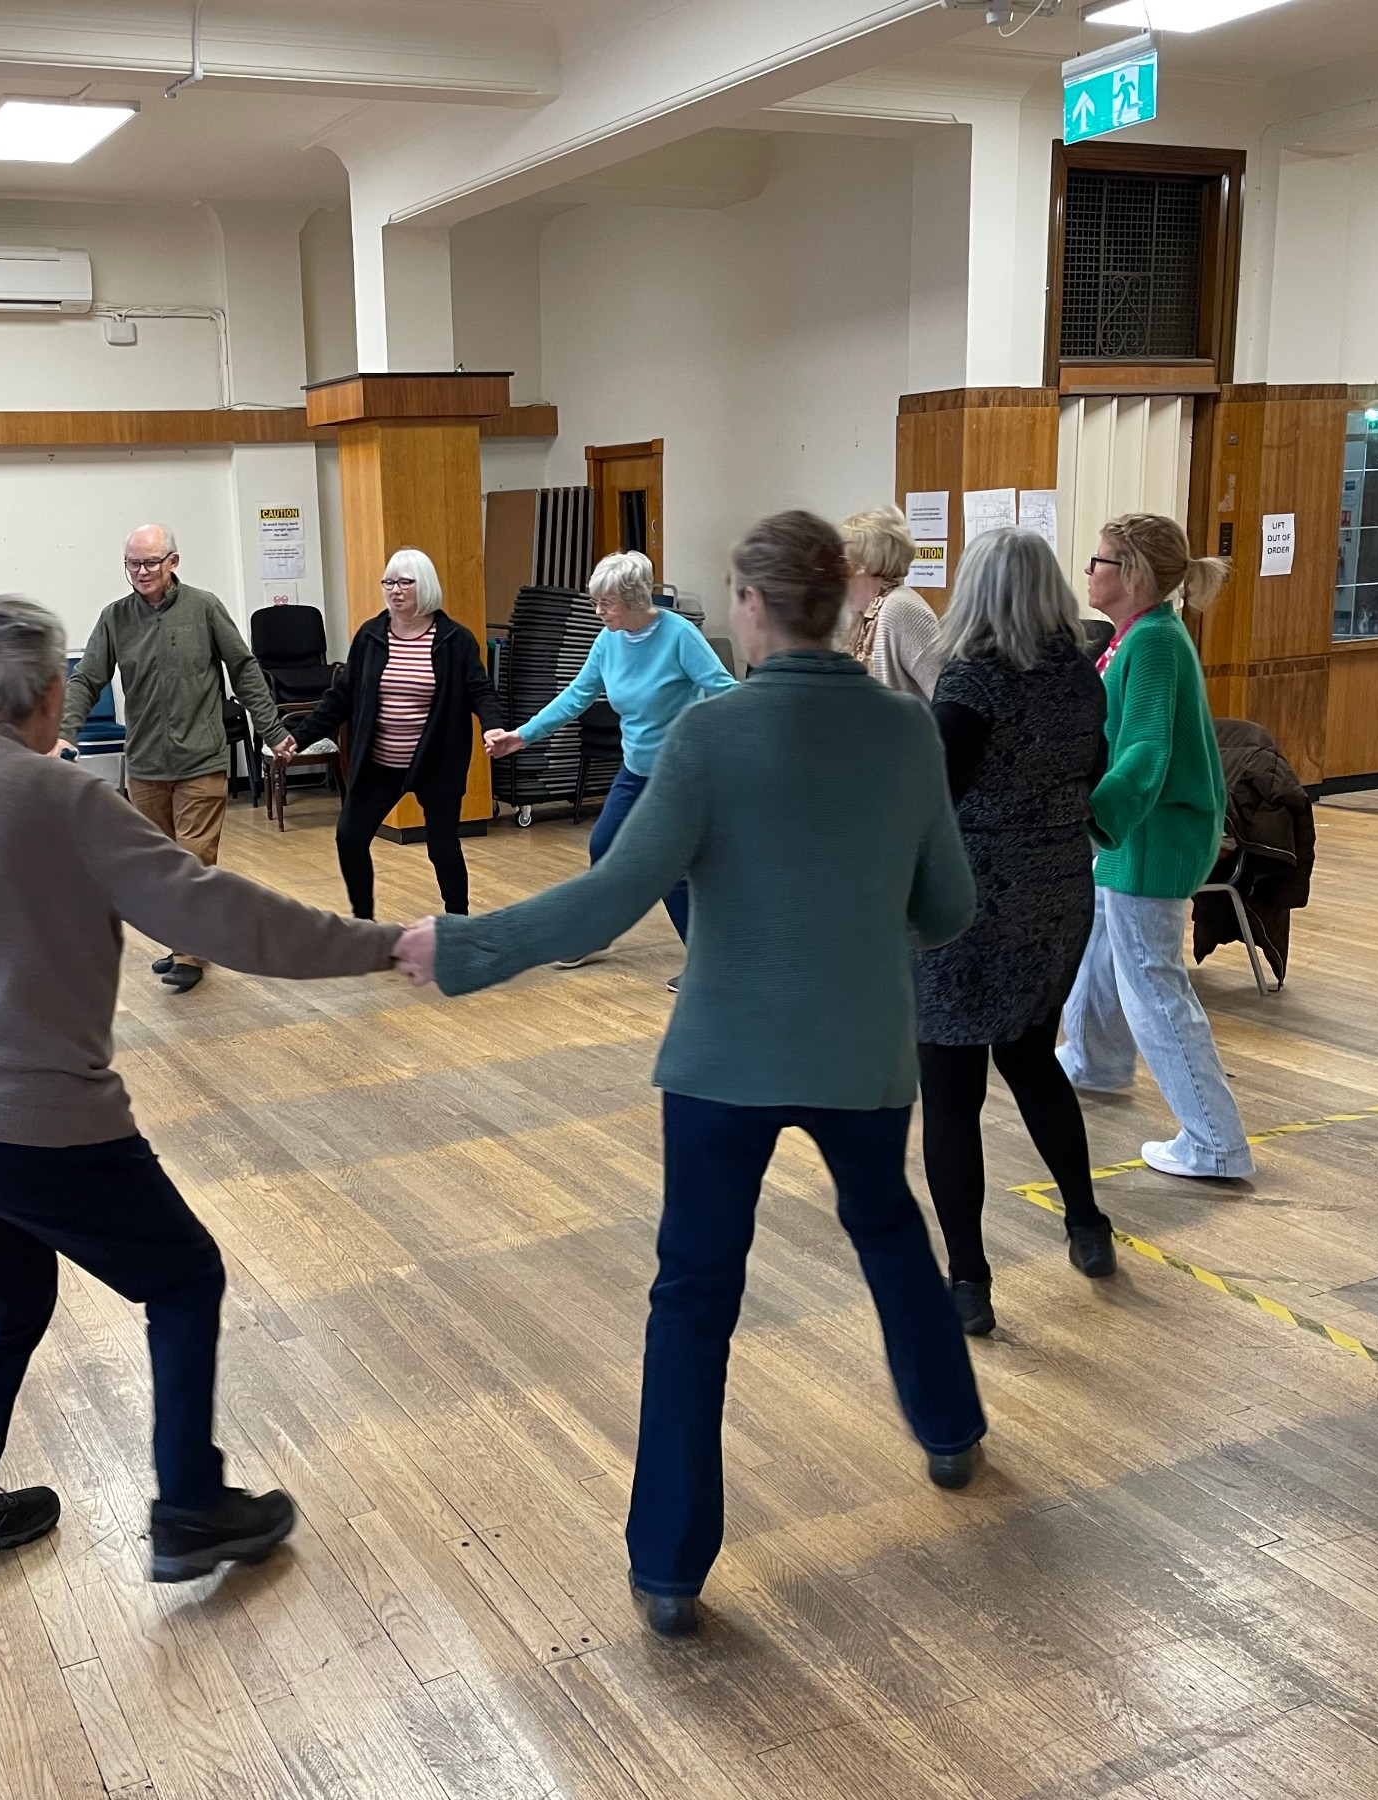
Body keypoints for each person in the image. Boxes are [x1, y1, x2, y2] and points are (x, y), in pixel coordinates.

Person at [400, 512, 985, 1637]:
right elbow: (947, 909)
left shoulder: (712, 737)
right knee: (889, 1230)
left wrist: (469, 947)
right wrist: (853, 942)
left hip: (723, 1063)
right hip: (863, 1050)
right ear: (842, 600)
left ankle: (670, 1567)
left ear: (754, 609)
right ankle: (951, 1431)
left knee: (693, 1298)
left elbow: (609, 897)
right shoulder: (907, 734)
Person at [0, 595, 401, 1583]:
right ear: (52, 696)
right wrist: (385, 945)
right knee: (182, 1278)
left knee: (7, 1296)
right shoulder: (67, 800)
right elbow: (222, 917)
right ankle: (189, 1507)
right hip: (37, 1118)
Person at [912, 529, 1117, 1338]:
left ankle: (969, 1281)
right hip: (1060, 892)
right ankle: (1086, 1222)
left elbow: (931, 799)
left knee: (952, 1099)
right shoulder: (1080, 674)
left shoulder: (969, 679)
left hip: (970, 905)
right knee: (1032, 1061)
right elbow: (1093, 768)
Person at [1057, 512, 1254, 1180]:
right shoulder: (1137, 637)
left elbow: (1146, 751)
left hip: (1149, 836)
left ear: (1132, 573)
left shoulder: (1157, 645)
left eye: (1101, 559)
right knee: (1103, 951)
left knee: (1152, 984)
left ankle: (1214, 1141)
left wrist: (1091, 814)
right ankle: (1093, 1061)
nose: (1089, 570)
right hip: (1134, 834)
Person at [57, 525, 293, 993]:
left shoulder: (203, 608)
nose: (141, 572)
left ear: (173, 562)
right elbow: (86, 680)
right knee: (160, 865)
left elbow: (244, 669)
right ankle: (188, 939)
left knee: (193, 858)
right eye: (132, 564)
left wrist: (273, 729)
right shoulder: (115, 618)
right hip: (146, 762)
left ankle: (189, 951)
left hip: (200, 756)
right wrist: (64, 734)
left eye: (150, 562)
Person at [484, 551, 734, 984]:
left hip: (680, 771)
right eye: (596, 602)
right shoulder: (608, 639)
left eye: (607, 603)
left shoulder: (679, 636)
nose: (598, 611)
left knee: (669, 867)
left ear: (637, 598)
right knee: (604, 846)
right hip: (636, 767)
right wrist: (520, 736)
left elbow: (724, 689)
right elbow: (575, 697)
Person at [276, 548, 501, 919]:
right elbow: (341, 697)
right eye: (389, 582)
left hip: (435, 762)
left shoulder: (454, 640)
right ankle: (363, 922)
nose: (394, 590)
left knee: (442, 846)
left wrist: (493, 727)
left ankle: (459, 924)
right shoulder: (371, 636)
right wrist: (298, 738)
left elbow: (479, 689)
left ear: (424, 586)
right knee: (349, 838)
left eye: (404, 582)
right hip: (379, 762)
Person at [842, 507, 942, 702]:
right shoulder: (860, 614)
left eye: (842, 564)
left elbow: (944, 693)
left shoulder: (902, 609)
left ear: (867, 565)